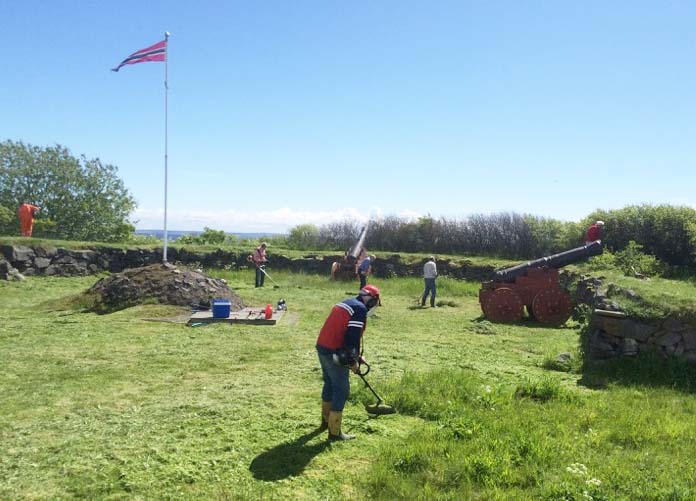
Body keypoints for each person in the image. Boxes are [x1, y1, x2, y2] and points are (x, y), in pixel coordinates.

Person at [316, 285, 381, 441]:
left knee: (329, 383)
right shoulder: (359, 310)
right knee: (341, 389)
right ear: (372, 300)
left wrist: (357, 357)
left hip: (323, 347)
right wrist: (352, 361)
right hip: (335, 351)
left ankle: (326, 421)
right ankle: (334, 432)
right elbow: (351, 338)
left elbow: (343, 331)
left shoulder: (348, 303)